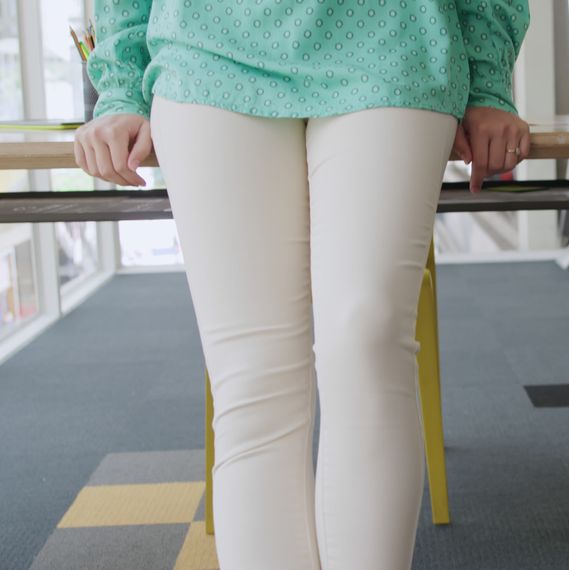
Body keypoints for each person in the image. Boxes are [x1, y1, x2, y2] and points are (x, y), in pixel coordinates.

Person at [73, 1, 531, 568]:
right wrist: (119, 88)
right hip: (209, 54)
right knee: (252, 378)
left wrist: (488, 84)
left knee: (366, 338)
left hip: (394, 44)